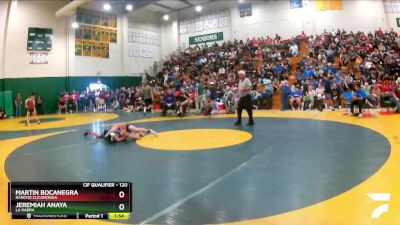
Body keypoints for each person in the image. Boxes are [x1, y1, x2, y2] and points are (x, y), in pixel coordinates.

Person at [84, 123, 158, 143]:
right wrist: (124, 136)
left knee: (135, 129)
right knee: (137, 137)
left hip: (126, 127)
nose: (116, 137)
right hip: (126, 134)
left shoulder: (114, 129)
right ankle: (140, 134)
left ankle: (148, 130)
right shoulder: (113, 138)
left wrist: (89, 132)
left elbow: (121, 125)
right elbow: (98, 135)